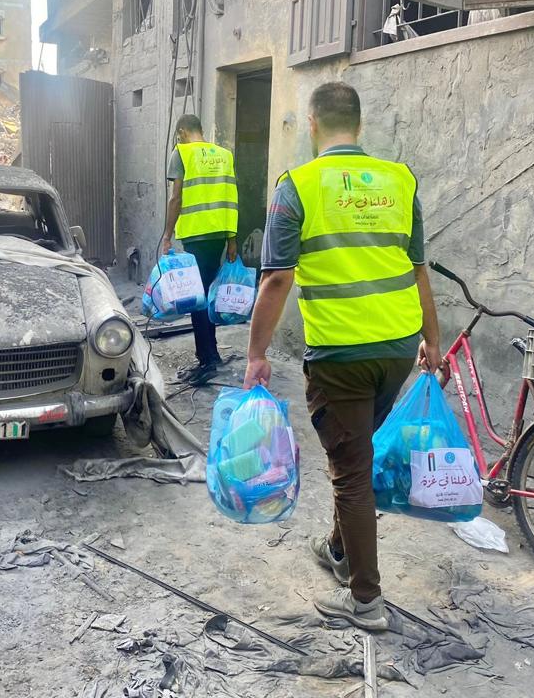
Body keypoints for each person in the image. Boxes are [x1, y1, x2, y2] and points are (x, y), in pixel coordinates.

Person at [243, 82, 442, 631]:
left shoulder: (297, 187)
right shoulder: (400, 180)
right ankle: (338, 548)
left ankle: (366, 601)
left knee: (351, 472)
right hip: (397, 349)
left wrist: (256, 353)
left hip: (341, 354)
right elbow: (418, 269)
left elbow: (277, 279)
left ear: (312, 124)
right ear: (359, 124)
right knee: (357, 452)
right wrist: (432, 339)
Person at [163, 114, 239, 384]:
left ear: (182, 132)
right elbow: (232, 198)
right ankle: (212, 353)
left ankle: (206, 361)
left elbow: (176, 198)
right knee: (207, 293)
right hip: (218, 234)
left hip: (196, 234)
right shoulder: (224, 155)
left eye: (178, 136)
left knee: (197, 297)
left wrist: (167, 234)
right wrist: (232, 239)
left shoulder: (182, 153)